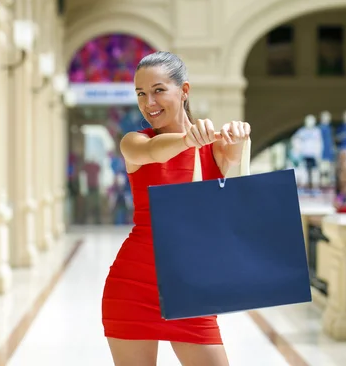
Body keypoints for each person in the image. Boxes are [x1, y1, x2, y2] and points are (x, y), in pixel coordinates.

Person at [101, 51, 250, 366]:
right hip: (133, 287)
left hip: (191, 287)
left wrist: (237, 136)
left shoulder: (214, 148)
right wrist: (188, 140)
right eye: (141, 93)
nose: (149, 102)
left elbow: (234, 159)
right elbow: (156, 152)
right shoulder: (134, 142)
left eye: (158, 90)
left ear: (184, 91)